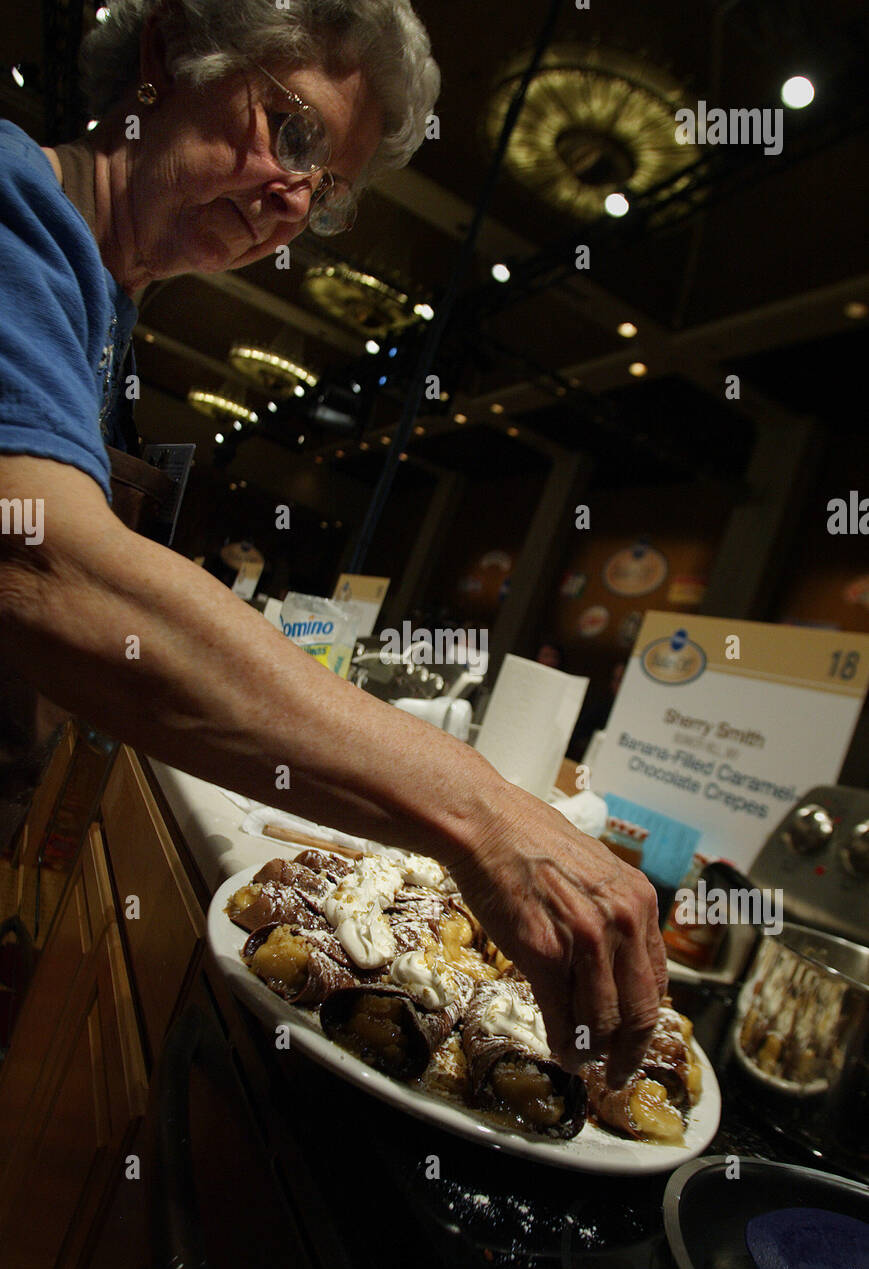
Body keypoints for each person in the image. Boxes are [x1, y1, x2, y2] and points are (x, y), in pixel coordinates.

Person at [0, 0, 666, 1084]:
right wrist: (486, 816)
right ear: (166, 57)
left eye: (330, 189)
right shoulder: (13, 199)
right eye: (295, 133)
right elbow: (41, 562)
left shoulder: (105, 306)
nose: (298, 201)